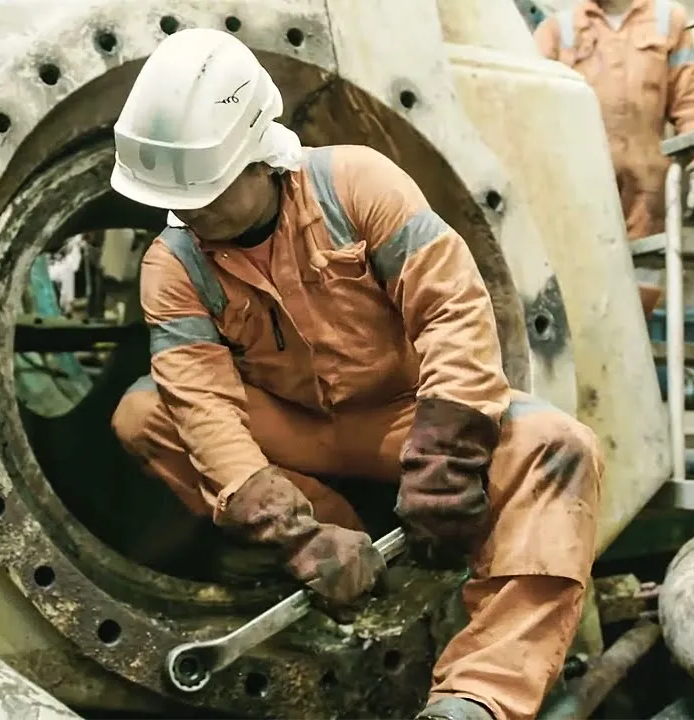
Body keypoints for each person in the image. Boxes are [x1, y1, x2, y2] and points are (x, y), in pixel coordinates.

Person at [108, 28, 604, 720]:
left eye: (208, 193)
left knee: (559, 446)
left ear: (259, 156)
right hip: (291, 428)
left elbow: (452, 314)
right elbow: (203, 409)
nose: (191, 212)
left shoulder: (355, 185)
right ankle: (346, 553)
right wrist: (300, 537)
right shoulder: (173, 265)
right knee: (144, 412)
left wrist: (445, 463)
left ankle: (477, 696)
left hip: (405, 417)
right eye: (176, 197)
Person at [533, 0, 694, 317]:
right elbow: (527, 107)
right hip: (576, 192)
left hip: (646, 195)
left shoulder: (668, 21)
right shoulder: (558, 29)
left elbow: (691, 102)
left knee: (637, 300)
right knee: (577, 299)